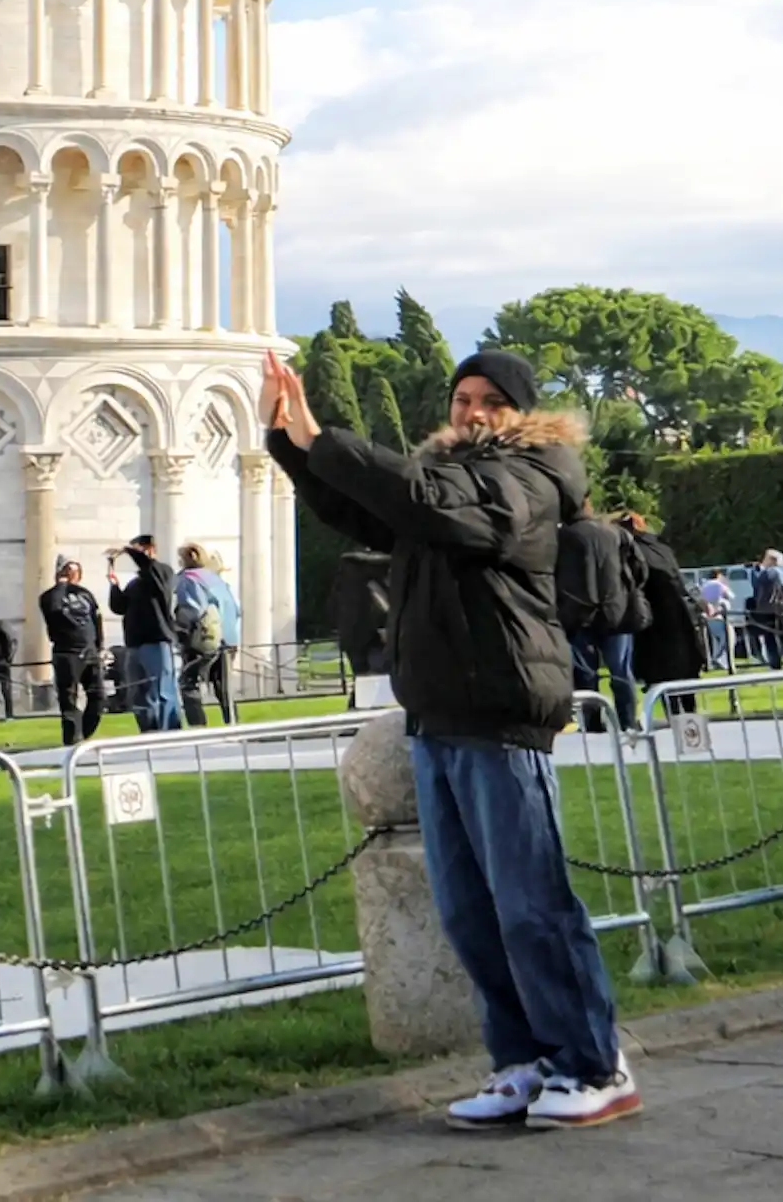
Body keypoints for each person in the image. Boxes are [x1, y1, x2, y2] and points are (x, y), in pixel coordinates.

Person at [264, 342, 639, 1130]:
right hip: (436, 717)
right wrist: (295, 449)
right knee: (471, 912)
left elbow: (434, 502)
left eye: (488, 401)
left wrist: (326, 438)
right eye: (461, 398)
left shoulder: (531, 478)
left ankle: (592, 1063)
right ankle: (524, 1062)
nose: (471, 411)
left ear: (520, 413)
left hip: (501, 712)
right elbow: (367, 509)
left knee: (532, 904)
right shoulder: (446, 482)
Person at [556, 498, 639, 731]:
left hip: (578, 613)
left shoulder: (562, 539)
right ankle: (628, 721)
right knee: (621, 672)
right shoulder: (616, 534)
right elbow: (638, 568)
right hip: (616, 611)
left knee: (585, 675)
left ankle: (592, 723)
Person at [620, 514, 707, 713]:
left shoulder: (631, 550)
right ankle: (689, 713)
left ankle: (675, 713)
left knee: (660, 672)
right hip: (678, 615)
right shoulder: (662, 548)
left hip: (652, 619)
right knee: (683, 671)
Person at [107, 534, 180, 733]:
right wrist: (114, 585)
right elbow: (119, 607)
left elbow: (147, 566)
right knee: (139, 691)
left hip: (157, 641)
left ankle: (168, 730)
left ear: (150, 549)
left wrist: (128, 550)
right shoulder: (135, 583)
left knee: (161, 689)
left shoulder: (162, 572)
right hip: (134, 643)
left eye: (140, 549)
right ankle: (148, 729)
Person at [39, 558, 106, 746]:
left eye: (75, 571)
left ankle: (83, 734)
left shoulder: (86, 595)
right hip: (67, 653)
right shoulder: (50, 596)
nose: (71, 574)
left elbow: (96, 619)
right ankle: (71, 740)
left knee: (98, 697)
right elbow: (53, 612)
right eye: (68, 571)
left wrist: (99, 646)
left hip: (89, 652)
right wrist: (61, 586)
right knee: (69, 700)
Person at [173, 543, 228, 729]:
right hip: (220, 636)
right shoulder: (214, 578)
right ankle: (232, 721)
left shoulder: (187, 580)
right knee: (221, 684)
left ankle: (198, 725)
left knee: (188, 682)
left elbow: (192, 609)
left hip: (200, 637)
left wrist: (177, 628)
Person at [745, 552, 783, 670]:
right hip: (779, 609)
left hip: (764, 610)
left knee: (769, 638)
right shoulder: (777, 572)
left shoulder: (761, 574)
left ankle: (775, 663)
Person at [205, 547, 241, 722]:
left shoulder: (210, 588)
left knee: (221, 683)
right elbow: (237, 611)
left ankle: (231, 717)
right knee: (223, 681)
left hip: (221, 639)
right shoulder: (224, 587)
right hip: (231, 638)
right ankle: (231, 717)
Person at [697, 568, 736, 671]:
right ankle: (719, 659)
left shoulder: (704, 586)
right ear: (719, 575)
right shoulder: (719, 585)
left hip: (708, 616)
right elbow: (731, 596)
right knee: (728, 638)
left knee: (716, 640)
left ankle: (716, 659)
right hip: (719, 615)